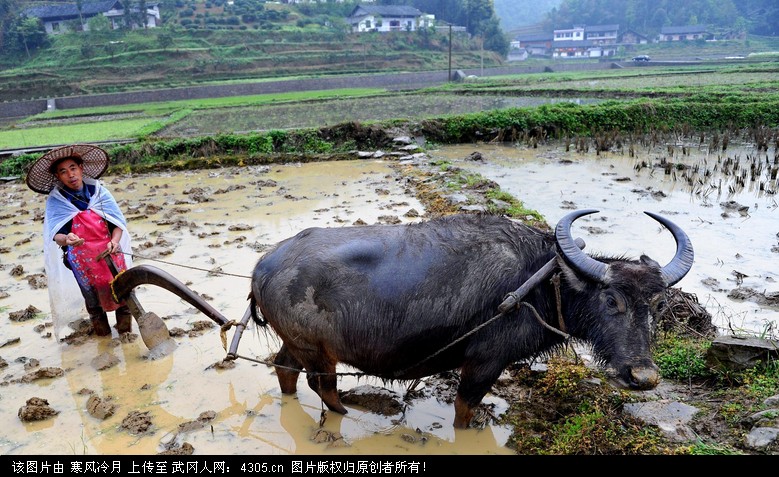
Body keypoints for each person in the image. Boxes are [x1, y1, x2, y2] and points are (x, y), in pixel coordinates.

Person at [26, 144, 134, 338]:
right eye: (63, 172)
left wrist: (115, 242)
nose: (70, 175)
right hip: (84, 262)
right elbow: (56, 235)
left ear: (81, 168)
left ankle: (126, 335)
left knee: (124, 298)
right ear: (58, 177)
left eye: (73, 168)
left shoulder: (100, 193)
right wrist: (67, 239)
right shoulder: (57, 201)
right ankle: (104, 340)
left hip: (111, 253)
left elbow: (117, 224)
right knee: (94, 304)